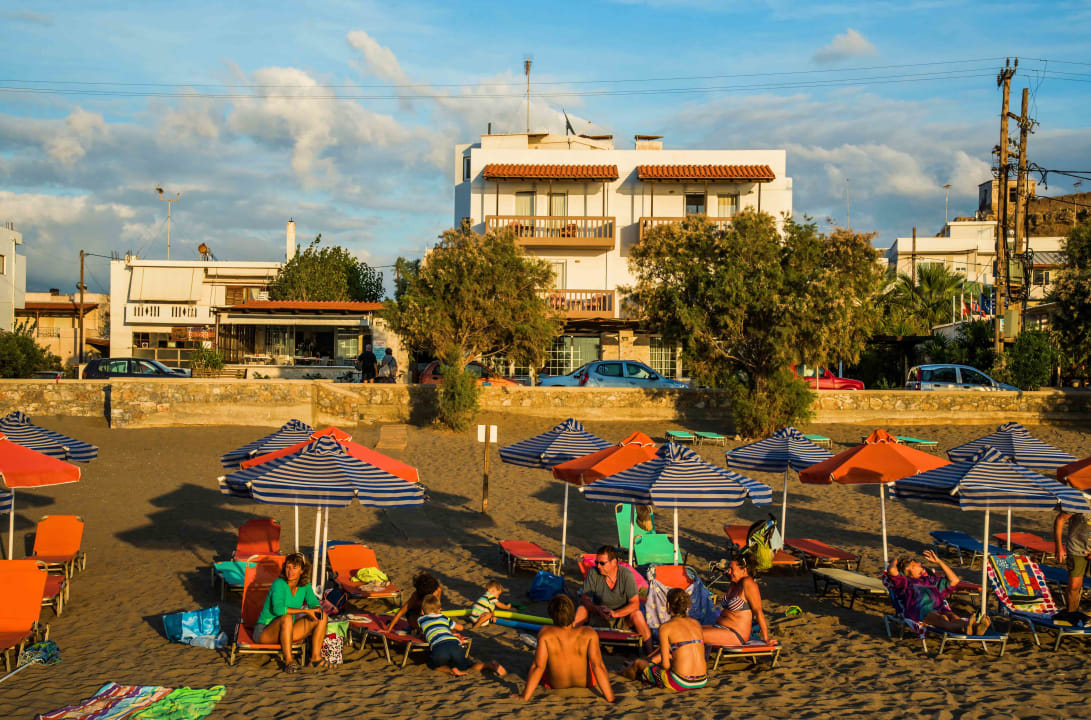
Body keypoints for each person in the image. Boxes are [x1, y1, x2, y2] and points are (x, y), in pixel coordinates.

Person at [515, 594, 614, 702]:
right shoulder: (589, 633)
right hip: (586, 683)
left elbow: (538, 667)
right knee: (593, 663)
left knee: (542, 663)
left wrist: (524, 696)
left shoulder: (546, 633)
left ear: (551, 614)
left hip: (556, 684)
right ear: (572, 612)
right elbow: (598, 666)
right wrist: (611, 698)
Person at [253, 552, 329, 673]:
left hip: (287, 630)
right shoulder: (279, 584)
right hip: (265, 631)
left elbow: (314, 603)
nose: (290, 571)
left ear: (302, 570)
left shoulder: (305, 586)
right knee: (287, 617)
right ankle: (289, 661)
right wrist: (305, 611)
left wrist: (315, 609)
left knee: (322, 616)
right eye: (288, 567)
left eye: (294, 567)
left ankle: (315, 658)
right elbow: (278, 610)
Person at [621, 588, 707, 691]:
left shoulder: (666, 627)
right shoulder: (696, 624)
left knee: (639, 663)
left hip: (681, 682)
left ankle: (622, 673)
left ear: (668, 605)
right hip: (702, 680)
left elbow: (665, 665)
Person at [886, 550, 989, 635]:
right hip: (922, 611)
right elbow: (891, 571)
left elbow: (955, 581)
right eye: (916, 562)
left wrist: (939, 562)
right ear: (911, 566)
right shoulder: (904, 581)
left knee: (953, 617)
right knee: (942, 620)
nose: (920, 563)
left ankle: (974, 628)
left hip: (941, 608)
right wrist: (894, 561)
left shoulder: (929, 579)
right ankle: (968, 628)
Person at [573, 546, 652, 650]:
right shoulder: (593, 572)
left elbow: (635, 603)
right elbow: (584, 598)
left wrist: (615, 613)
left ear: (614, 562)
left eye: (602, 563)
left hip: (622, 617)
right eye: (597, 562)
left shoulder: (626, 574)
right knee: (581, 609)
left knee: (637, 614)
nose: (598, 566)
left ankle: (650, 653)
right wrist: (597, 609)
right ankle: (570, 644)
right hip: (599, 614)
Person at [418, 594, 506, 677]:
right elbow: (460, 628)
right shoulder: (443, 617)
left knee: (433, 664)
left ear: (422, 611)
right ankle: (488, 665)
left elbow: (422, 631)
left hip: (439, 647)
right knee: (469, 665)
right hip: (454, 644)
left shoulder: (421, 620)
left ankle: (451, 671)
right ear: (439, 610)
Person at [701, 556, 774, 647]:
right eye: (729, 569)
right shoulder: (734, 582)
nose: (729, 572)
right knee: (690, 630)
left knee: (692, 635)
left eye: (732, 569)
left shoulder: (748, 583)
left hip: (735, 633)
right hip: (721, 628)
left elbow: (758, 611)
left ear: (744, 570)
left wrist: (766, 638)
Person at [1054, 509, 1091, 612]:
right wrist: (1059, 547)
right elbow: (1060, 520)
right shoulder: (1078, 500)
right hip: (1076, 549)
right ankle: (1072, 614)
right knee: (1074, 586)